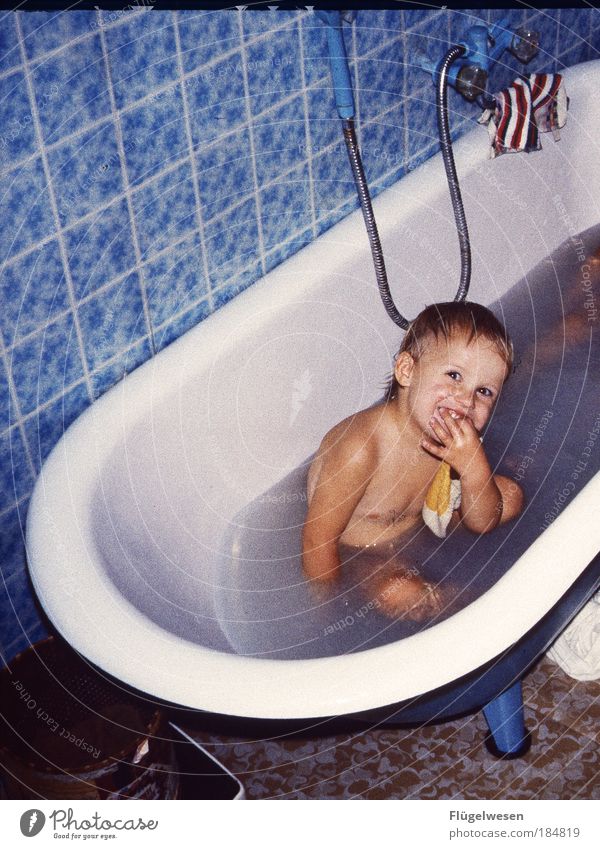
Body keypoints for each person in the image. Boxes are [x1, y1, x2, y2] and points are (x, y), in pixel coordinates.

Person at [302, 301, 524, 619]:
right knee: (403, 592)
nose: (466, 400)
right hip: (363, 554)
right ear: (407, 371)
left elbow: (483, 524)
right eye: (454, 375)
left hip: (424, 521)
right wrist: (326, 612)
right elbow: (317, 541)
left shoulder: (450, 433)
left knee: (511, 496)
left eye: (485, 392)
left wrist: (474, 465)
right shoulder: (361, 449)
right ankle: (486, 608)